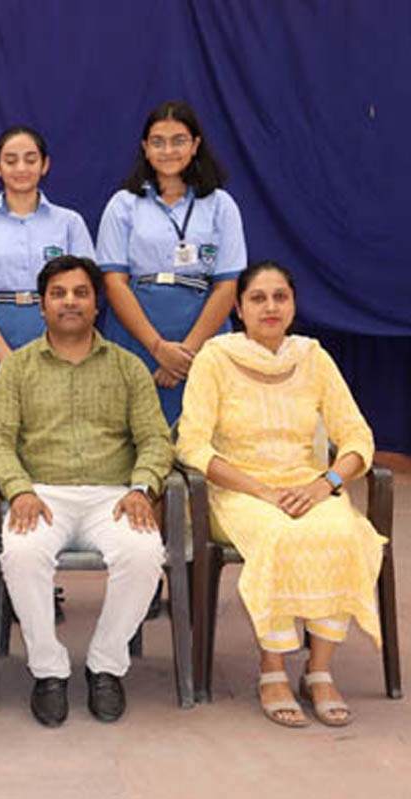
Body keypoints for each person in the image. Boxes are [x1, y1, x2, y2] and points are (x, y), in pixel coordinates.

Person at [175, 261, 384, 728]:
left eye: (280, 297)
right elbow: (192, 444)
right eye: (258, 298)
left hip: (306, 485)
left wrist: (323, 485)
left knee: (343, 532)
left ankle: (319, 670)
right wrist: (262, 491)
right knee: (279, 536)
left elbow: (357, 438)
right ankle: (272, 669)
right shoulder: (215, 357)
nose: (270, 307)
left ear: (293, 305)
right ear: (238, 307)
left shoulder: (313, 357)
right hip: (237, 490)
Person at [0, 256, 171, 728]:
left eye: (80, 293)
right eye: (59, 293)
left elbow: (155, 438)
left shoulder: (128, 367)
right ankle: (49, 670)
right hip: (41, 495)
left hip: (115, 495)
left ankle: (106, 665)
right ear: (42, 306)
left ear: (96, 303)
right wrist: (19, 490)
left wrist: (142, 487)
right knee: (22, 554)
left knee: (144, 553)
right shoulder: (17, 368)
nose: (70, 301)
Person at [96, 100, 246, 425]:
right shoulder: (123, 204)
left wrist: (185, 353)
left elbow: (227, 286)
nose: (168, 150)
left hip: (201, 338)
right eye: (158, 142)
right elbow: (113, 283)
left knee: (202, 438)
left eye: (178, 140)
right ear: (145, 149)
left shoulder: (221, 205)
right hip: (136, 336)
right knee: (134, 434)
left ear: (195, 145)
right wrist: (158, 348)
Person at [0, 126, 95, 434]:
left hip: (58, 332)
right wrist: (10, 362)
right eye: (11, 160)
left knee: (56, 431)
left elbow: (85, 293)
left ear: (45, 165)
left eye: (30, 160)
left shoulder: (69, 223)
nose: (21, 168)